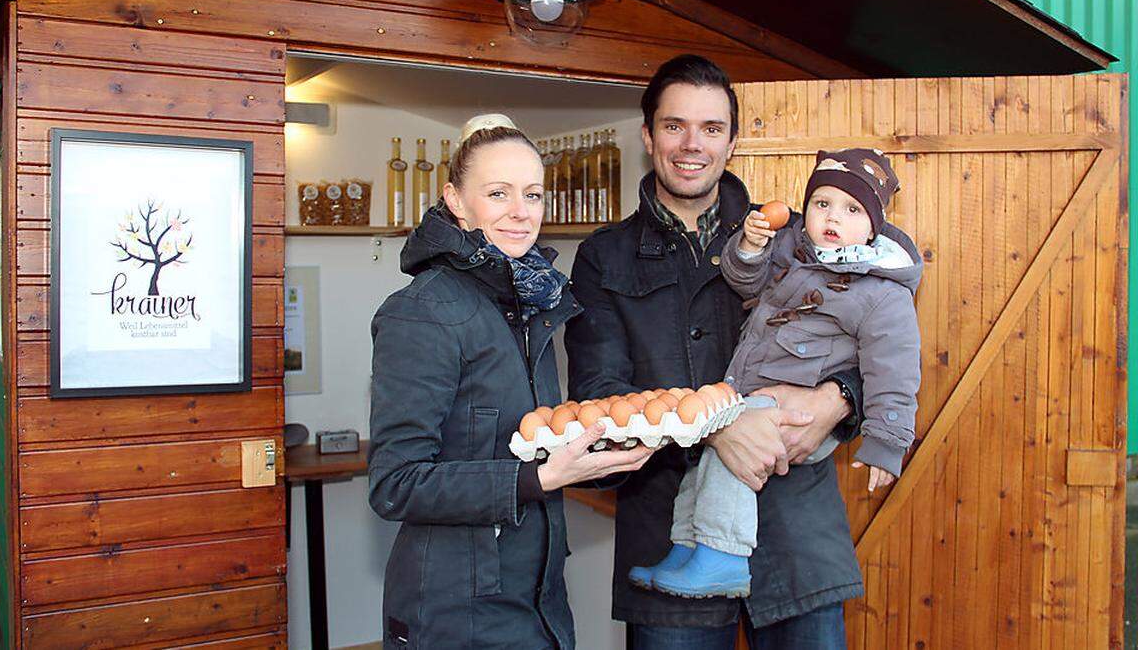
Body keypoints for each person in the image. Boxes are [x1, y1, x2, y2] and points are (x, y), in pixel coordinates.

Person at [564, 54, 866, 649]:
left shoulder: (805, 237)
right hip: (670, 533)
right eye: (674, 126)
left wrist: (838, 401)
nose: (691, 145)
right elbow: (600, 398)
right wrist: (717, 427)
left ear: (733, 141)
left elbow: (872, 342)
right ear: (648, 135)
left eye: (711, 128)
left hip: (795, 529)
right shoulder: (604, 258)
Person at [368, 114, 653, 649]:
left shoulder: (531, 303)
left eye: (533, 194)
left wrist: (599, 455)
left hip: (537, 604)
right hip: (456, 615)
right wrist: (540, 480)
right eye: (498, 193)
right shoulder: (420, 313)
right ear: (455, 200)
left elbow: (525, 442)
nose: (521, 213)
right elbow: (396, 484)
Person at [639, 148, 923, 601]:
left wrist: (887, 443)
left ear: (873, 226)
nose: (833, 217)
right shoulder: (793, 253)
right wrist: (751, 249)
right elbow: (744, 282)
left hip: (799, 412)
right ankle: (688, 546)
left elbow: (896, 371)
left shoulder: (882, 292)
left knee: (725, 457)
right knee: (706, 460)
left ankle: (722, 556)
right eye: (821, 204)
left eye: (852, 210)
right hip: (755, 394)